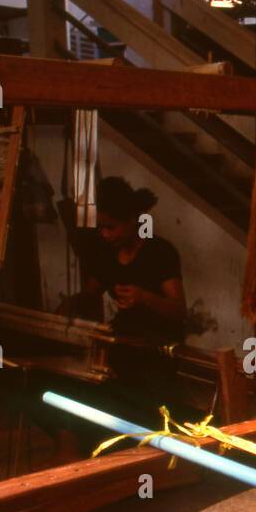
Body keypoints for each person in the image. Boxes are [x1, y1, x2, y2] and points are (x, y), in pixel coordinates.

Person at [59, 177, 188, 423]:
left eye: (111, 227)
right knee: (89, 390)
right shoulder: (106, 254)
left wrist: (145, 298)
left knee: (148, 411)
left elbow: (180, 312)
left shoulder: (159, 252)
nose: (105, 234)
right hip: (124, 343)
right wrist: (70, 306)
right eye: (100, 228)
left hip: (158, 349)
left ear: (131, 221)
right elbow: (91, 293)